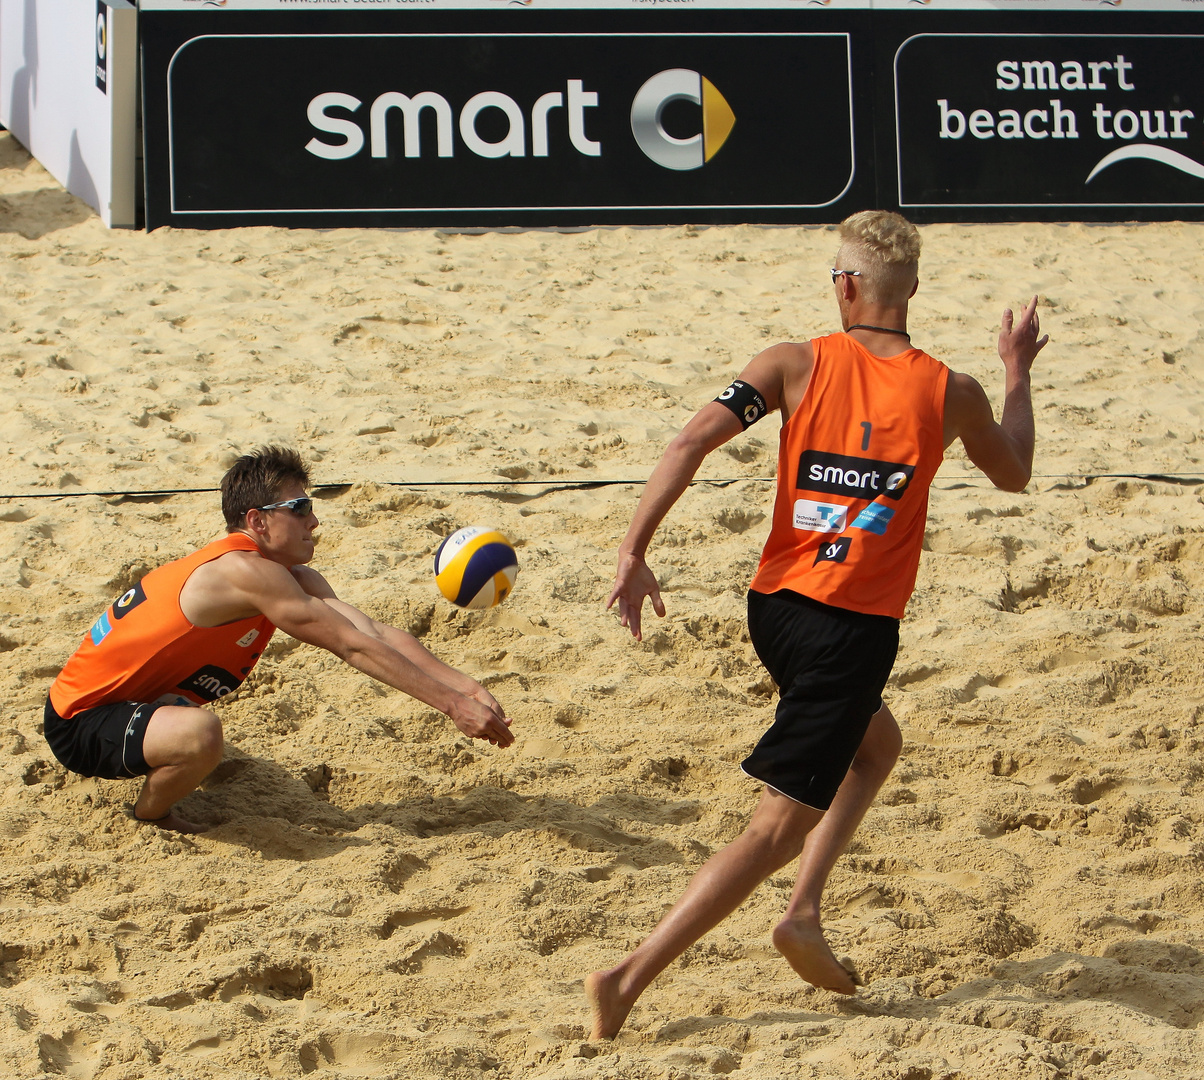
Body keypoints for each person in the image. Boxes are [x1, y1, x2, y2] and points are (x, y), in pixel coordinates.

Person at [587, 210, 1047, 1039]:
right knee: (773, 826)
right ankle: (626, 978)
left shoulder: (790, 363)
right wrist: (1015, 372)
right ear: (910, 291)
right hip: (850, 631)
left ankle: (803, 910)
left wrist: (633, 549)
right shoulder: (954, 391)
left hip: (775, 609)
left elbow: (691, 440)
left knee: (876, 745)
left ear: (845, 285)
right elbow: (1014, 472)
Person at [43, 446, 514, 834]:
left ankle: (160, 744)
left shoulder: (290, 575)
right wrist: (452, 707)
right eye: (300, 508)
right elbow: (348, 647)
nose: (314, 522)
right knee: (201, 736)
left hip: (137, 698)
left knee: (196, 727)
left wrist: (464, 688)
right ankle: (150, 815)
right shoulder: (244, 572)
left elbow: (372, 633)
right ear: (258, 521)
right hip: (78, 720)